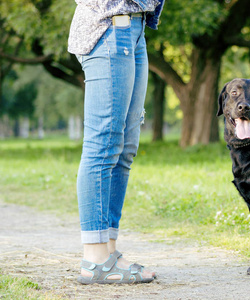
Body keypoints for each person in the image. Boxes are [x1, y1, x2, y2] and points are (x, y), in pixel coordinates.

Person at [68, 0, 165, 284]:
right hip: (108, 27)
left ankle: (108, 250)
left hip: (135, 27)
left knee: (124, 148)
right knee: (103, 144)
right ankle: (94, 258)